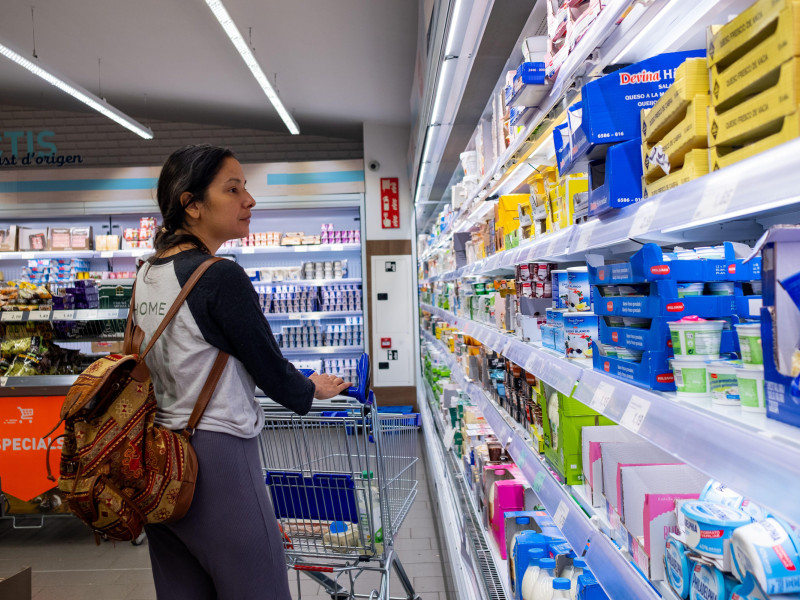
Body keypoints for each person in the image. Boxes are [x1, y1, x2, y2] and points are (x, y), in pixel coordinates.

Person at [135, 144, 350, 599]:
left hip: (157, 463)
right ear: (191, 204)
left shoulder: (147, 274)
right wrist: (310, 388)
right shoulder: (219, 276)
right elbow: (268, 366)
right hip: (217, 464)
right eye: (233, 189)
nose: (248, 200)